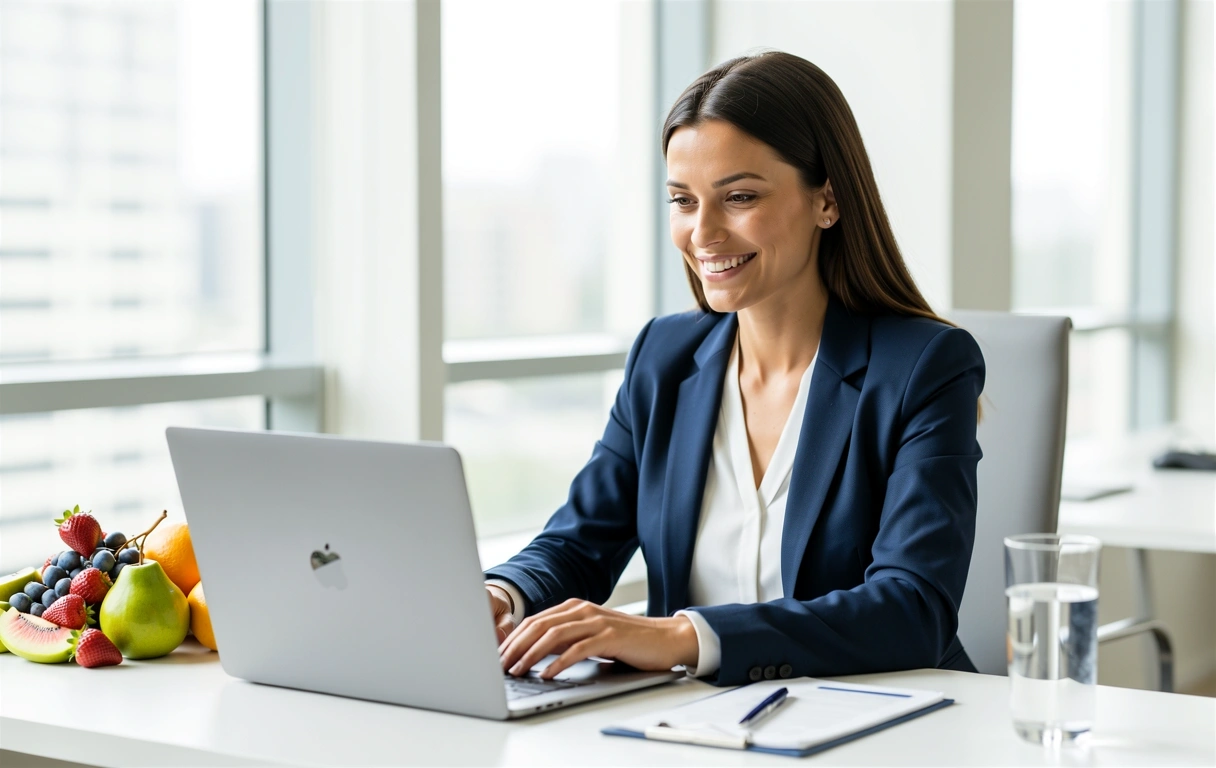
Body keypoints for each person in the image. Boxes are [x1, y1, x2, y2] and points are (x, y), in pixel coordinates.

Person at [488, 50, 985, 687]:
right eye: (682, 201)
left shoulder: (922, 366)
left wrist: (681, 635)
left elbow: (914, 608)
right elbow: (581, 540)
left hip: (877, 723)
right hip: (691, 727)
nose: (703, 233)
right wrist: (502, 596)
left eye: (740, 196)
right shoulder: (663, 358)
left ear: (827, 199)